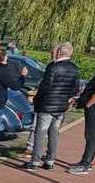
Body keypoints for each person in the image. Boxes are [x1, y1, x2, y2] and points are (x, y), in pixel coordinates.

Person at [26, 42, 80, 171]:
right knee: (54, 133)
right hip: (61, 106)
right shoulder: (74, 68)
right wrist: (67, 100)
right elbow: (76, 88)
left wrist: (36, 100)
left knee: (40, 133)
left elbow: (45, 86)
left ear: (59, 52)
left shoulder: (53, 67)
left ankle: (35, 162)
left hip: (47, 105)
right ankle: (50, 160)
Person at [70, 46, 95, 175]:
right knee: (90, 135)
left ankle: (85, 164)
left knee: (92, 135)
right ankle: (85, 162)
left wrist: (89, 103)